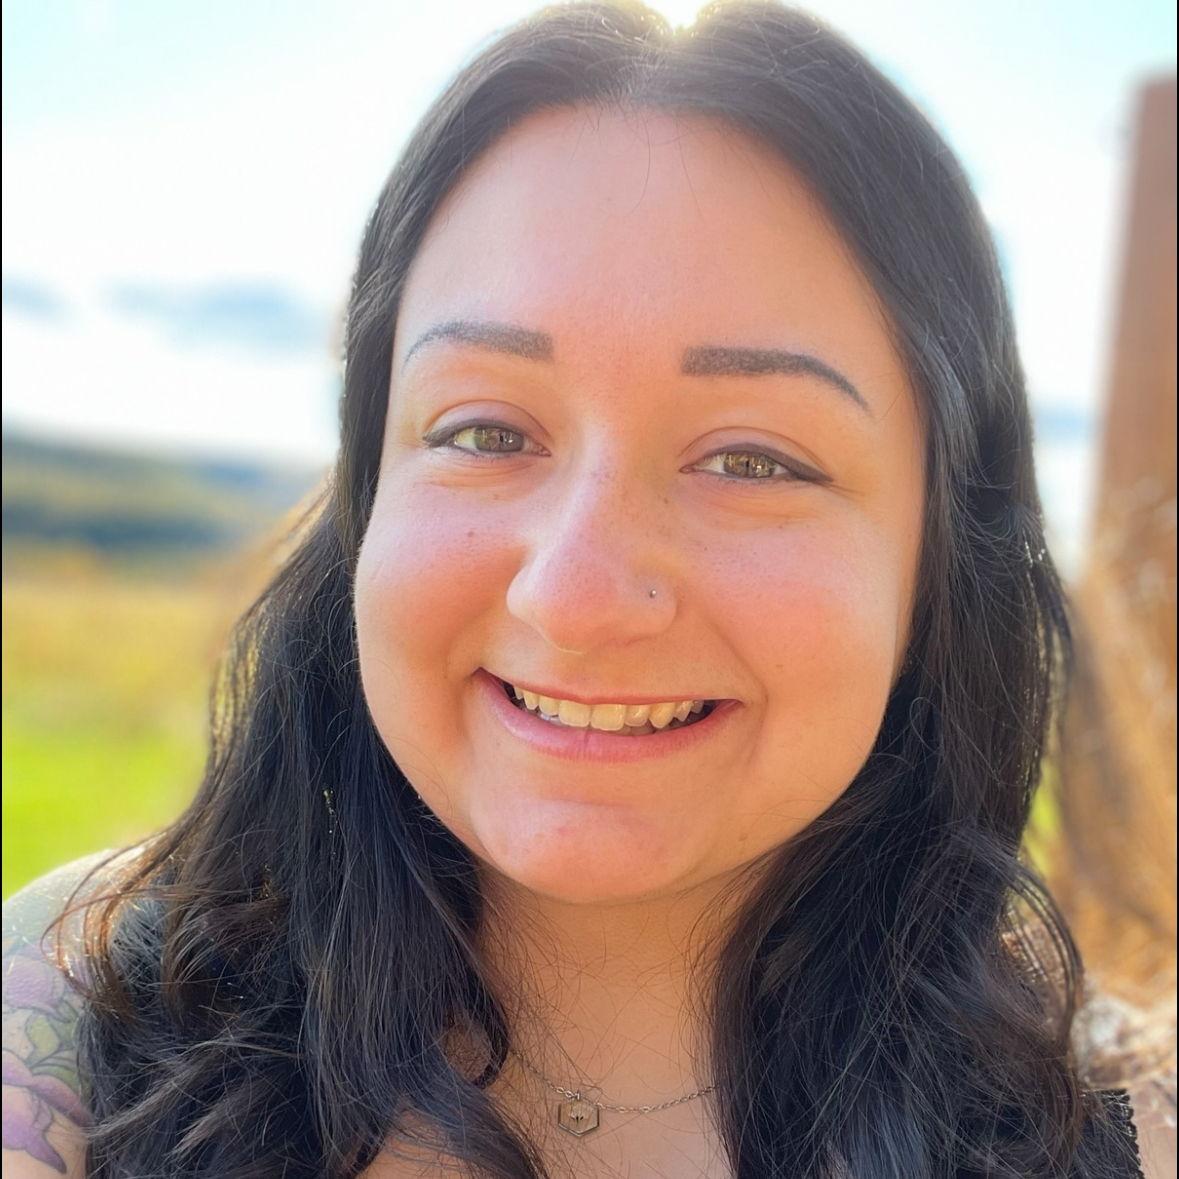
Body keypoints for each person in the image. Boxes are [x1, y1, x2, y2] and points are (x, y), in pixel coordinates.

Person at [3, 3, 1175, 1176]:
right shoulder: (69, 1019)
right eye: (483, 431)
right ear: (367, 499)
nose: (573, 595)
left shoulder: (1131, 1136)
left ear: (938, 557)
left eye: (752, 459)